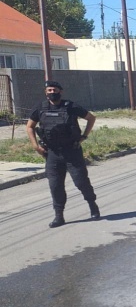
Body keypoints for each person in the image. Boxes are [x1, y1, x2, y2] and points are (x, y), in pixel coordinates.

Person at [25, 80, 100, 228]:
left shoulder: (70, 106)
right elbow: (29, 126)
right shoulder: (41, 107)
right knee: (55, 186)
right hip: (52, 153)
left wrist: (84, 136)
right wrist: (35, 146)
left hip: (72, 151)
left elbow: (91, 118)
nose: (52, 92)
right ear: (45, 92)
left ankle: (92, 205)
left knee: (81, 182)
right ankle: (59, 216)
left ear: (61, 91)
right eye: (49, 90)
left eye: (55, 90)